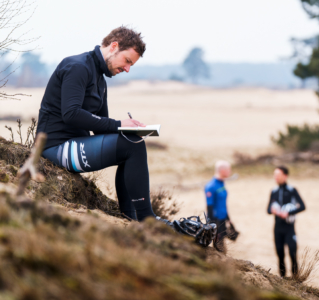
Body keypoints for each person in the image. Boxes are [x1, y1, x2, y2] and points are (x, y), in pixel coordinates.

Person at [36, 26, 216, 245]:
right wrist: (120, 124)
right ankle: (147, 219)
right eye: (127, 60)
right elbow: (71, 114)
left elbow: (101, 128)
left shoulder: (100, 80)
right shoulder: (77, 67)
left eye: (132, 64)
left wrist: (129, 129)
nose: (128, 69)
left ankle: (131, 215)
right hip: (55, 147)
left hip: (75, 144)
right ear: (114, 46)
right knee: (132, 146)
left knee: (131, 142)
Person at [267, 166, 305, 277]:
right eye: (275, 175)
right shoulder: (274, 191)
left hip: (289, 228)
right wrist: (273, 210)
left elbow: (302, 206)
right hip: (277, 228)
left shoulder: (292, 190)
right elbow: (268, 210)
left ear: (285, 176)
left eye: (278, 175)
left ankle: (296, 280)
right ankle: (282, 279)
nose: (276, 178)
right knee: (280, 254)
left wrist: (288, 213)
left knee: (293, 253)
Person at [204, 160, 238, 251]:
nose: (230, 172)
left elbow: (223, 204)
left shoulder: (221, 183)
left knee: (225, 245)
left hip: (223, 219)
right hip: (216, 221)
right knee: (219, 248)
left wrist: (229, 220)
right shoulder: (211, 186)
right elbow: (209, 207)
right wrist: (212, 225)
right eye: (228, 169)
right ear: (222, 170)